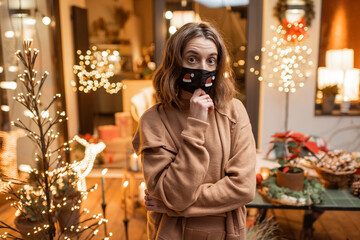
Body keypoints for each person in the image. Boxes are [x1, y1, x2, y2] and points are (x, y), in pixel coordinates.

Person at [132, 22, 256, 240]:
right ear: (175, 62)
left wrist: (172, 207)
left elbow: (243, 188)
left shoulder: (235, 112)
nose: (203, 68)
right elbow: (173, 193)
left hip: (227, 233)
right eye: (192, 58)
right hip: (171, 234)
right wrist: (196, 125)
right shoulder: (153, 121)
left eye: (211, 60)